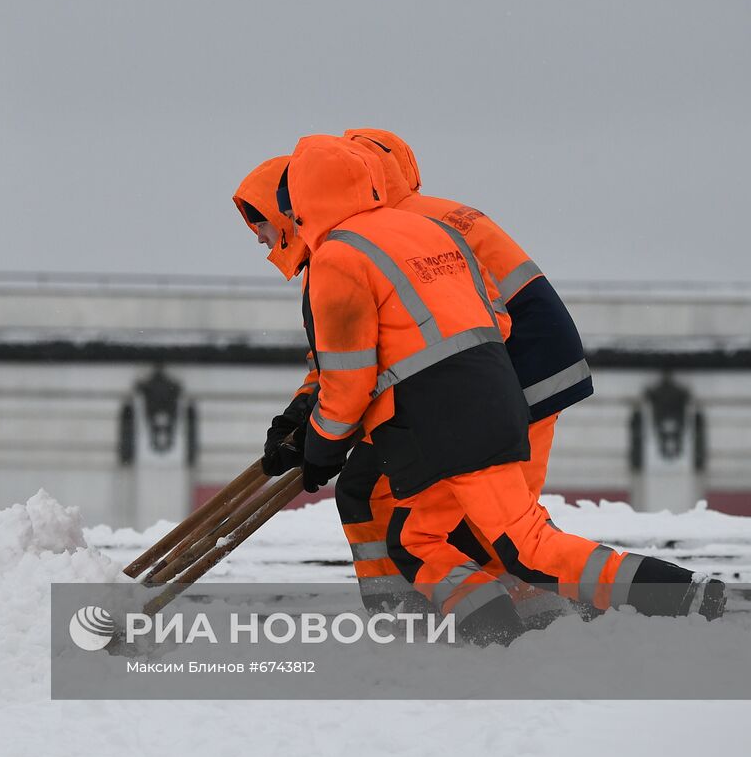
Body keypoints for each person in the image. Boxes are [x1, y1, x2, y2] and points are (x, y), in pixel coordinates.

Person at [234, 135, 723, 644]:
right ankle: (496, 634)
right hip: (498, 395)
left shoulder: (337, 258)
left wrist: (320, 448)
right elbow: (492, 319)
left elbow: (349, 379)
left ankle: (682, 598)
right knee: (418, 538)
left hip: (443, 422)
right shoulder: (424, 229)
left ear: (300, 202)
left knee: (525, 547)